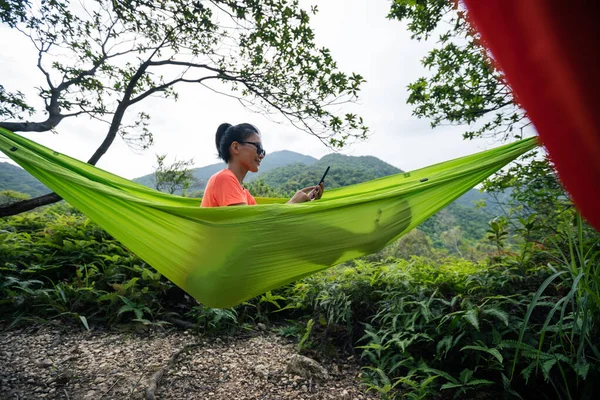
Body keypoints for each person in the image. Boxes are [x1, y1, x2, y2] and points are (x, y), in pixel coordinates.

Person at [201, 123, 324, 207]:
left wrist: (302, 202)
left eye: (263, 151)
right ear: (236, 147)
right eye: (258, 147)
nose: (261, 155)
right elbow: (250, 227)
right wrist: (292, 203)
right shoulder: (224, 178)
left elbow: (264, 221)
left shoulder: (245, 194)